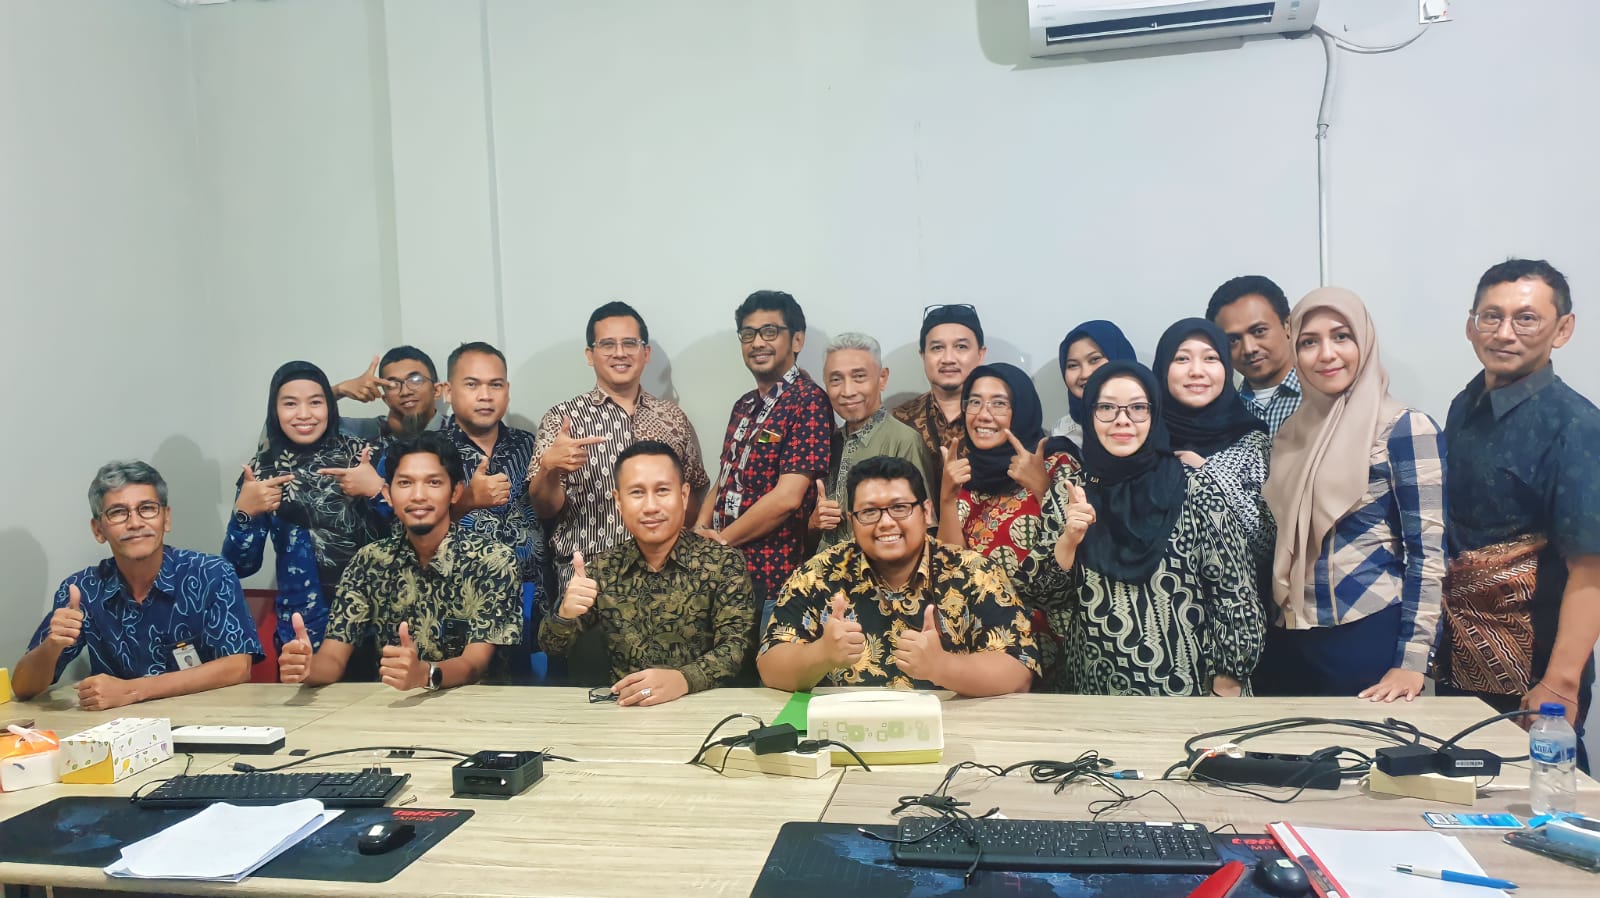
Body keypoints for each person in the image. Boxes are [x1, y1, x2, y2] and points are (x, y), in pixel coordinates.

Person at [1020, 362, 1263, 696]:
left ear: (1154, 413)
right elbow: (1041, 596)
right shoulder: (1069, 494)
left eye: (1137, 407)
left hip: (1194, 694)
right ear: (1089, 415)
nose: (1122, 419)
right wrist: (1069, 541)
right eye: (1107, 407)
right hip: (1094, 695)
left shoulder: (1194, 489)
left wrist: (1229, 681)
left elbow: (1235, 592)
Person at [1436, 259, 1599, 739]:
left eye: (1526, 318)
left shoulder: (1575, 425)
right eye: (1492, 316)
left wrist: (1562, 681)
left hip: (1533, 664)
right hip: (1460, 648)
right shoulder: (1465, 404)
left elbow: (1591, 566)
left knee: (1541, 780)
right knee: (1463, 775)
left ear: (1562, 330)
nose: (1505, 333)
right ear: (1471, 326)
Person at [1259, 288, 1446, 701]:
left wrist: (1412, 661)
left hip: (1367, 632)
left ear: (1364, 340)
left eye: (1341, 336)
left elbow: (1428, 553)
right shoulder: (1291, 434)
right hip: (1289, 636)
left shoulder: (1404, 429)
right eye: (1309, 342)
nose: (1326, 354)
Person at [758, 455, 1037, 695]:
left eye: (900, 508)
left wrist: (943, 667)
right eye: (869, 512)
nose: (886, 522)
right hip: (846, 731)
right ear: (852, 521)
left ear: (926, 512)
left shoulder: (974, 573)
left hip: (951, 730)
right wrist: (822, 654)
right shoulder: (817, 575)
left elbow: (1018, 669)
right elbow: (770, 667)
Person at [277, 433, 523, 690]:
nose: (418, 495)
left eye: (433, 482)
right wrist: (308, 668)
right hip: (393, 704)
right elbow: (333, 658)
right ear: (388, 494)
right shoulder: (369, 562)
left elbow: (475, 664)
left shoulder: (492, 561)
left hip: (476, 706)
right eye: (405, 483)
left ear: (455, 492)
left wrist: (425, 674)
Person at [12, 461, 261, 709]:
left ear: (166, 518)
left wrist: (132, 690)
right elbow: (23, 687)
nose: (135, 523)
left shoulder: (211, 573)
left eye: (147, 509)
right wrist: (52, 646)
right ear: (98, 530)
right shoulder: (82, 590)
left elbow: (238, 667)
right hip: (117, 729)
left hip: (207, 720)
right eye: (118, 512)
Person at [540, 442, 754, 705]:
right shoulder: (603, 569)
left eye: (662, 490)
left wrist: (683, 679)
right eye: (637, 493)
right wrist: (564, 614)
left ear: (684, 495)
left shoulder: (723, 563)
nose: (651, 506)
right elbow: (553, 647)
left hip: (703, 707)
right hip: (625, 711)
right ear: (619, 501)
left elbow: (736, 648)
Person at [528, 302, 709, 592]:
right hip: (589, 575)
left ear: (645, 353)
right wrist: (549, 468)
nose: (620, 353)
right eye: (607, 344)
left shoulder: (672, 417)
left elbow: (695, 486)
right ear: (590, 355)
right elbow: (543, 508)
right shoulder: (563, 419)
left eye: (630, 343)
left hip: (667, 576)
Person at [223, 361, 388, 653]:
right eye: (290, 403)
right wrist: (244, 515)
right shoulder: (262, 472)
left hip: (378, 623)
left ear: (330, 406)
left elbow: (412, 536)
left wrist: (377, 492)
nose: (304, 414)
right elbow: (239, 567)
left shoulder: (365, 455)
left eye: (315, 402)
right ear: (274, 411)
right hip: (305, 634)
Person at [696, 290, 832, 630]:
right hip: (726, 576)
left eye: (770, 332)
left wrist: (722, 540)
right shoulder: (744, 405)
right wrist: (699, 530)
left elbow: (788, 498)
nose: (757, 342)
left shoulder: (808, 400)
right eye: (748, 334)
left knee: (766, 666)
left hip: (773, 582)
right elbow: (725, 476)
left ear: (797, 340)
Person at [439, 342, 550, 640]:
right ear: (448, 391)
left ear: (507, 391)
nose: (485, 395)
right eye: (472, 384)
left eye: (495, 385)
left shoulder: (529, 444)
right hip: (462, 606)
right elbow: (409, 536)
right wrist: (467, 502)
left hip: (533, 604)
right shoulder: (429, 452)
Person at [937, 363, 1078, 583]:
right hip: (979, 603)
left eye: (999, 404)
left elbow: (1076, 561)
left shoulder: (1056, 464)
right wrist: (947, 498)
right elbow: (950, 570)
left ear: (1022, 410)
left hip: (1043, 603)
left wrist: (1043, 489)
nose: (983, 415)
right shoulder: (963, 473)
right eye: (974, 402)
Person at [1153, 318, 1274, 565]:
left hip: (1235, 587)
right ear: (1163, 368)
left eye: (1210, 358)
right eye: (1182, 359)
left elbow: (1266, 542)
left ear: (1226, 368)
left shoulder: (1251, 443)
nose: (1197, 371)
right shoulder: (1143, 439)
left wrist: (1209, 475)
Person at [812, 332, 935, 552]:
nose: (847, 391)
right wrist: (814, 522)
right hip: (825, 569)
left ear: (882, 378)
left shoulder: (904, 441)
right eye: (836, 379)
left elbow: (923, 530)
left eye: (859, 377)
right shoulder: (828, 443)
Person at [893, 304, 987, 501]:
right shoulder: (900, 420)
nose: (948, 359)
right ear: (923, 355)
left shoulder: (1000, 418)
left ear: (980, 354)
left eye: (961, 347)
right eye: (937, 348)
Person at [1206, 275, 1302, 438]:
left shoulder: (1324, 399)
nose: (1249, 349)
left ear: (1287, 325)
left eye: (1259, 331)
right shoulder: (1221, 415)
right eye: (1233, 340)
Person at [338, 346, 447, 442]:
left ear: (436, 390)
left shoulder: (455, 431)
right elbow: (328, 424)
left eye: (415, 380)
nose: (405, 392)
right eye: (393, 385)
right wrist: (339, 390)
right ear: (386, 400)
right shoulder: (374, 431)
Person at [1053, 320, 1137, 445]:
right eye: (1073, 365)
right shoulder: (1064, 433)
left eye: (1094, 359)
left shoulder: (1148, 421)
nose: (1085, 374)